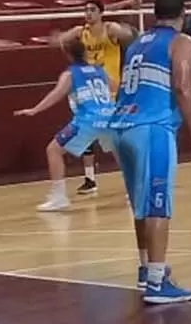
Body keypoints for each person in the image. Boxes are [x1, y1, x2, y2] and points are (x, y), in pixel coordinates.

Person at [107, 0, 191, 304]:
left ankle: (145, 269)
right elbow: (182, 86)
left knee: (140, 202)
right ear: (184, 14)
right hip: (152, 127)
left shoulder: (139, 42)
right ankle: (156, 282)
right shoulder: (182, 42)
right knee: (157, 203)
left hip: (122, 126)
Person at [15, 37, 116, 212]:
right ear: (85, 52)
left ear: (68, 55)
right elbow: (116, 86)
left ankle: (59, 197)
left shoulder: (70, 74)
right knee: (123, 153)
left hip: (88, 119)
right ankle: (136, 191)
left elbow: (56, 94)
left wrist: (35, 109)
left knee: (53, 150)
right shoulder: (100, 70)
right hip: (110, 116)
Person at [51, 0, 132, 197]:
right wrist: (59, 37)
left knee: (116, 146)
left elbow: (128, 35)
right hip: (88, 92)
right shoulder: (81, 32)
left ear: (101, 12)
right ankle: (90, 179)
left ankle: (133, 182)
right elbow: (59, 41)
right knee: (86, 137)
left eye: (92, 10)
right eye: (85, 10)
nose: (88, 13)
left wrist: (124, 28)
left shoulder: (109, 29)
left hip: (110, 93)